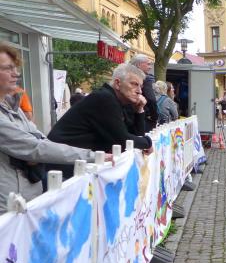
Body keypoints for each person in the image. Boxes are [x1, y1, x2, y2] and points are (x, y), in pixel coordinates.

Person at [0, 43, 103, 211]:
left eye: (15, 68)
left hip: (28, 201)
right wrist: (92, 156)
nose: (16, 74)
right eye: (8, 68)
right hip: (8, 208)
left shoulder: (13, 107)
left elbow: (39, 140)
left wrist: (34, 150)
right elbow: (34, 147)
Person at [47, 63, 153, 178]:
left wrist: (139, 110)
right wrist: (148, 142)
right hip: (62, 166)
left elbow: (134, 137)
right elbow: (123, 140)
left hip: (75, 164)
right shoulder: (105, 98)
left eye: (140, 86)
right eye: (134, 84)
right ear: (118, 83)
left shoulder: (117, 101)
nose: (139, 91)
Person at [130, 54, 159, 131]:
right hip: (143, 118)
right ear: (139, 64)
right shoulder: (147, 78)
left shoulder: (127, 76)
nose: (150, 67)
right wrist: (154, 116)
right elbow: (151, 99)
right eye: (148, 64)